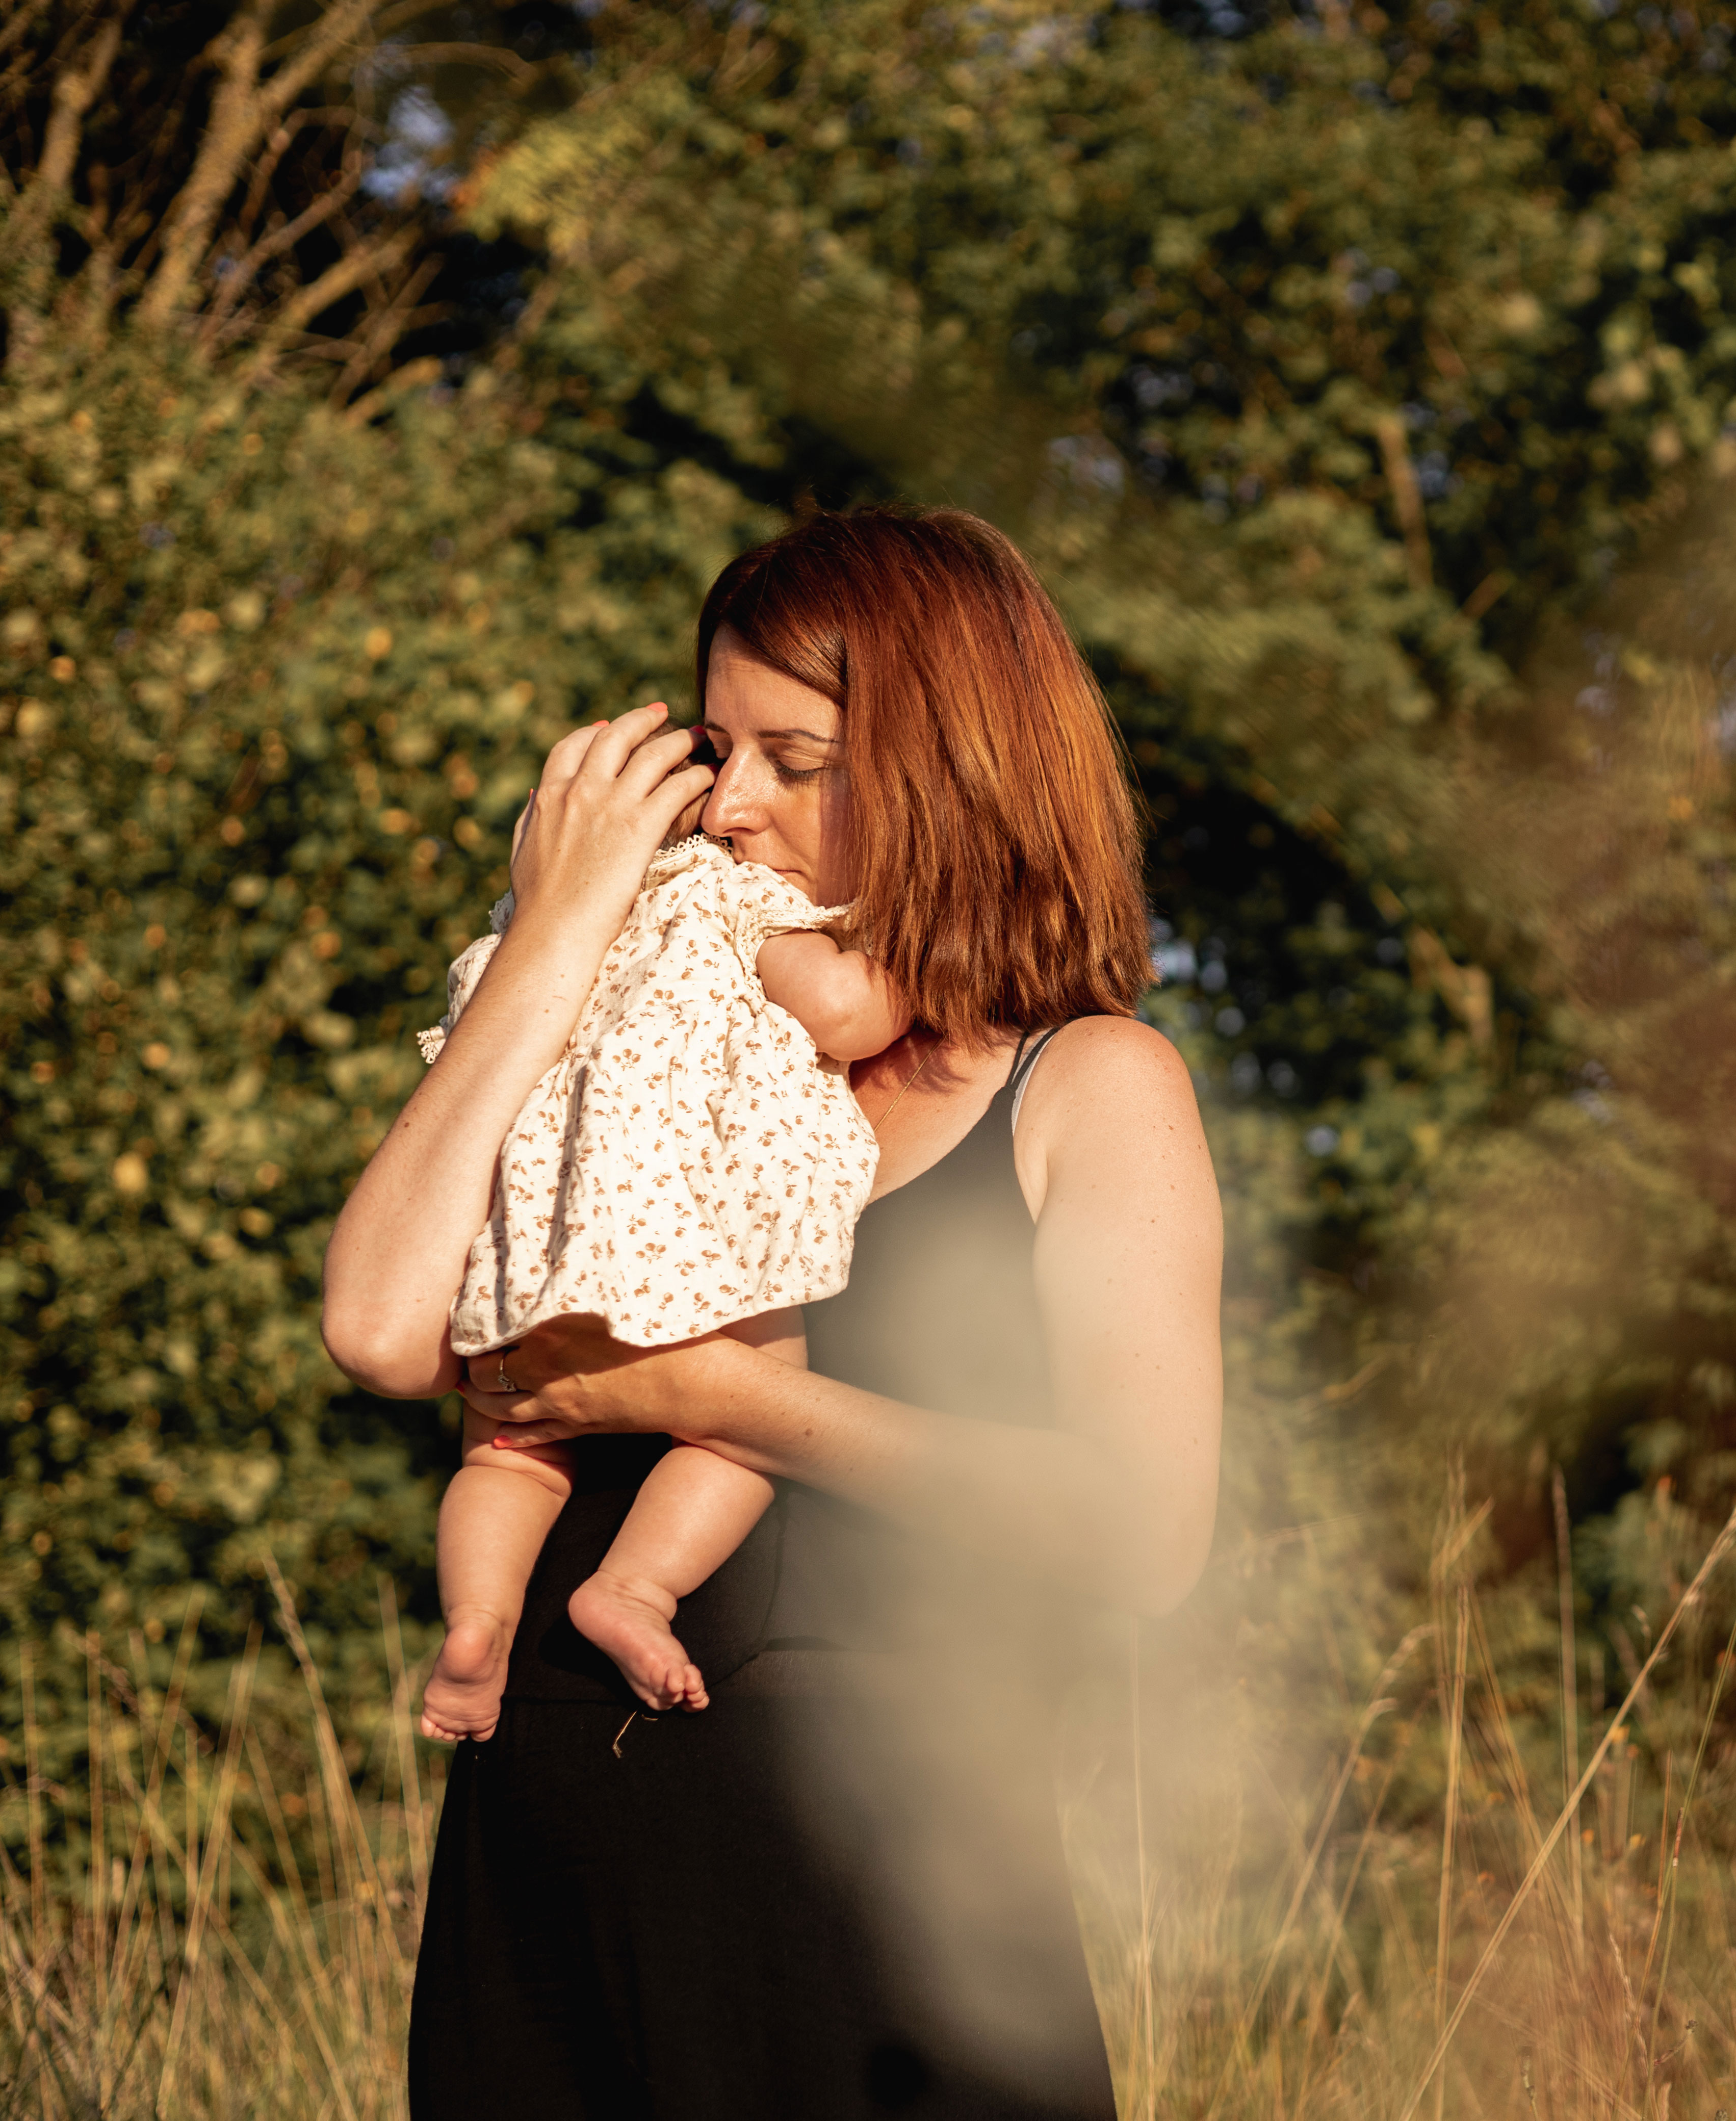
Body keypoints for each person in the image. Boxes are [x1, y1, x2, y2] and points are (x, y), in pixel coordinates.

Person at [320, 505, 1223, 2120]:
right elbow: (384, 1328)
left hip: (881, 1921)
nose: (729, 807)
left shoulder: (1086, 1088)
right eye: (713, 753)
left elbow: (1144, 1533)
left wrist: (711, 1396)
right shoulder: (639, 1069)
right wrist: (557, 934)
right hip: (547, 1877)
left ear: (955, 764)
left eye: (792, 758)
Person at [416, 829, 901, 1743]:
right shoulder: (731, 892)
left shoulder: (536, 929)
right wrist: (918, 958)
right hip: (675, 1222)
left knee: (505, 1453)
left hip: (532, 1223)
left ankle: (478, 1620)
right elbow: (844, 1010)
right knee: (755, 1417)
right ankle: (634, 1587)